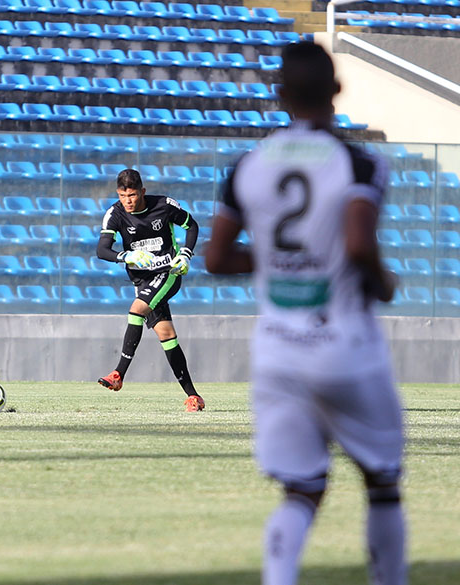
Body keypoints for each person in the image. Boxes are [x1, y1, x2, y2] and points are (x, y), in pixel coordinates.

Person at [205, 42, 406, 585]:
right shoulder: (359, 162)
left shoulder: (248, 165)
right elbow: (358, 243)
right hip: (343, 346)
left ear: (280, 94)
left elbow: (217, 258)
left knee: (301, 489)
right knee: (382, 480)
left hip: (277, 350)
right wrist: (383, 281)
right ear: (337, 91)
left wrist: (275, 261)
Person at [96, 168, 205, 412]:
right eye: (123, 196)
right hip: (142, 282)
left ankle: (118, 374)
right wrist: (125, 256)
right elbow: (102, 250)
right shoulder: (114, 214)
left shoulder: (164, 205)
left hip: (168, 273)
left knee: (137, 310)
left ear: (142, 191)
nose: (128, 201)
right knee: (167, 336)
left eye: (132, 195)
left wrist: (186, 254)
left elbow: (192, 225)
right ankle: (194, 397)